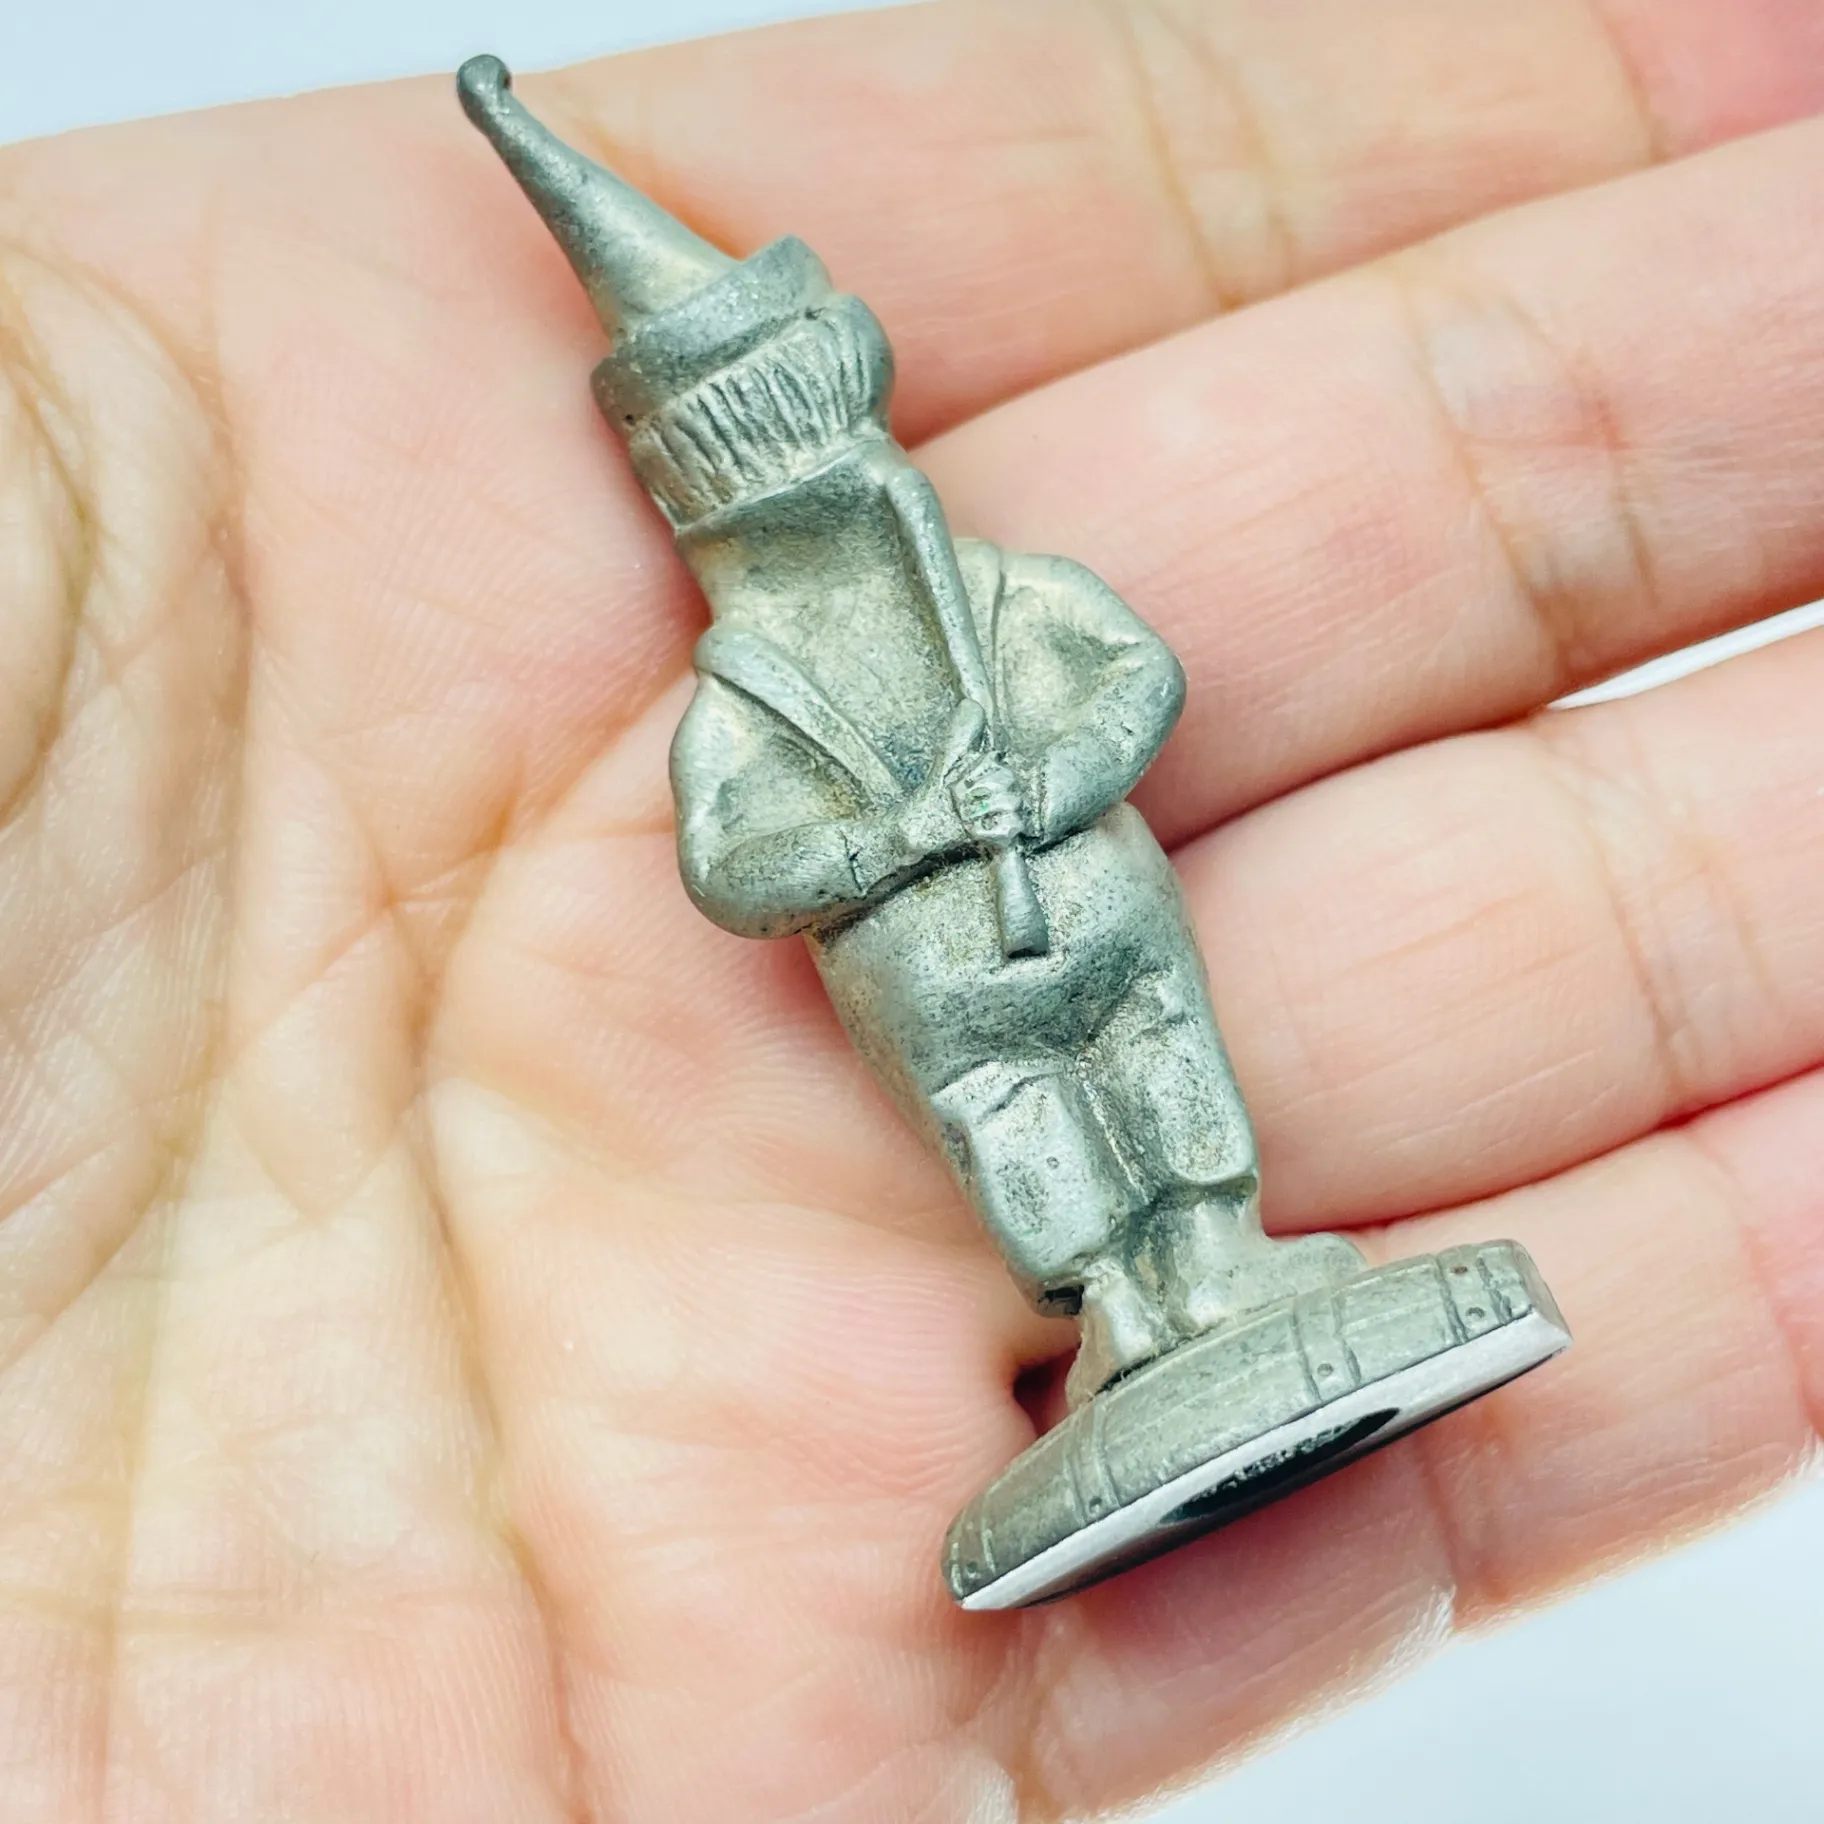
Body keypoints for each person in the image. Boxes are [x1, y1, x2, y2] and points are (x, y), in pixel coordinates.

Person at [1, 2, 1821, 1818]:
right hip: (939, 982)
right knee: (1025, 1127)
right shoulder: (753, 693)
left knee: (1164, 1075)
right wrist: (897, 836)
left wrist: (1064, 766)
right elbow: (733, 870)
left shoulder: (998, 591)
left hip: (1098, 908)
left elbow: (1134, 675)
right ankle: (1125, 1318)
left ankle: (1216, 1263)